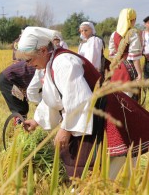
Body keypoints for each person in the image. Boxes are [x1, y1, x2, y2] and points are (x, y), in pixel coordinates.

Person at [19, 27, 149, 179]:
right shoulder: (51, 63)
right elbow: (53, 97)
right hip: (92, 117)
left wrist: (66, 129)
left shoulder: (64, 62)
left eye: (29, 60)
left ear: (42, 50)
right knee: (98, 171)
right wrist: (37, 121)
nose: (28, 65)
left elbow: (79, 99)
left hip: (107, 117)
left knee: (103, 174)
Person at [0, 26, 36, 125]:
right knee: (20, 107)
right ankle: (20, 125)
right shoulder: (39, 66)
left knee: (22, 105)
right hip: (8, 79)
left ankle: (21, 124)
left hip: (18, 74)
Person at [108, 8, 142, 99]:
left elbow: (112, 53)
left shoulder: (114, 34)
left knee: (117, 99)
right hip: (128, 69)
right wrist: (139, 74)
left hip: (116, 69)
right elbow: (134, 58)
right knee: (130, 101)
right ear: (132, 20)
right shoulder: (133, 34)